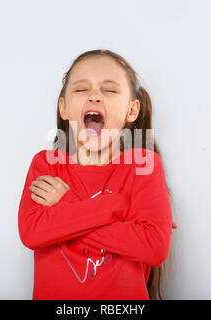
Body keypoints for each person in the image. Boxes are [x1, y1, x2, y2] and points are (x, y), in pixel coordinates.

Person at [18, 49, 178, 300]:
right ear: (64, 107)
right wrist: (114, 208)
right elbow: (32, 233)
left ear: (132, 110)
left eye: (110, 90)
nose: (94, 96)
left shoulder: (144, 165)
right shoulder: (46, 164)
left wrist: (66, 205)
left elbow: (154, 247)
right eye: (81, 90)